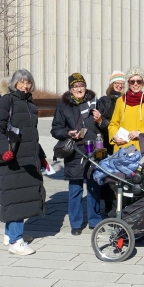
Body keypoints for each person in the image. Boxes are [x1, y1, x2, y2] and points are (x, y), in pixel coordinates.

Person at [0, 69, 47, 256]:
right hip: (12, 158)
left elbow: (32, 136)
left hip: (28, 159)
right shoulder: (7, 101)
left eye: (28, 82)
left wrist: (41, 156)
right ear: (14, 84)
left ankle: (9, 235)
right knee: (17, 198)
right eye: (21, 82)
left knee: (18, 197)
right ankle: (16, 241)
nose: (25, 85)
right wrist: (4, 149)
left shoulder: (30, 105)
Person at [51, 73, 108, 235]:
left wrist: (100, 120)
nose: (79, 89)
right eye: (75, 86)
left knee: (94, 187)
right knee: (75, 189)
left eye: (81, 85)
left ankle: (94, 220)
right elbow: (55, 129)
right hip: (75, 151)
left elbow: (107, 125)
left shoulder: (95, 103)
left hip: (94, 150)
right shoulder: (63, 106)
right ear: (70, 89)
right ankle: (76, 224)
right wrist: (68, 133)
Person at [108, 68, 144, 153]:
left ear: (143, 82)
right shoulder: (120, 101)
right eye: (132, 81)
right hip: (123, 149)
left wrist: (140, 132)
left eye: (139, 81)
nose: (135, 84)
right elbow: (113, 124)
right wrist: (115, 136)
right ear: (128, 83)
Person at [98, 70, 125, 214]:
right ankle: (108, 204)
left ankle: (121, 203)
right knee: (109, 173)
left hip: (123, 141)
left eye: (122, 84)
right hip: (107, 142)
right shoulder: (103, 101)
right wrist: (111, 128)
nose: (119, 86)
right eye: (117, 83)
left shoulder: (126, 100)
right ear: (111, 84)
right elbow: (101, 121)